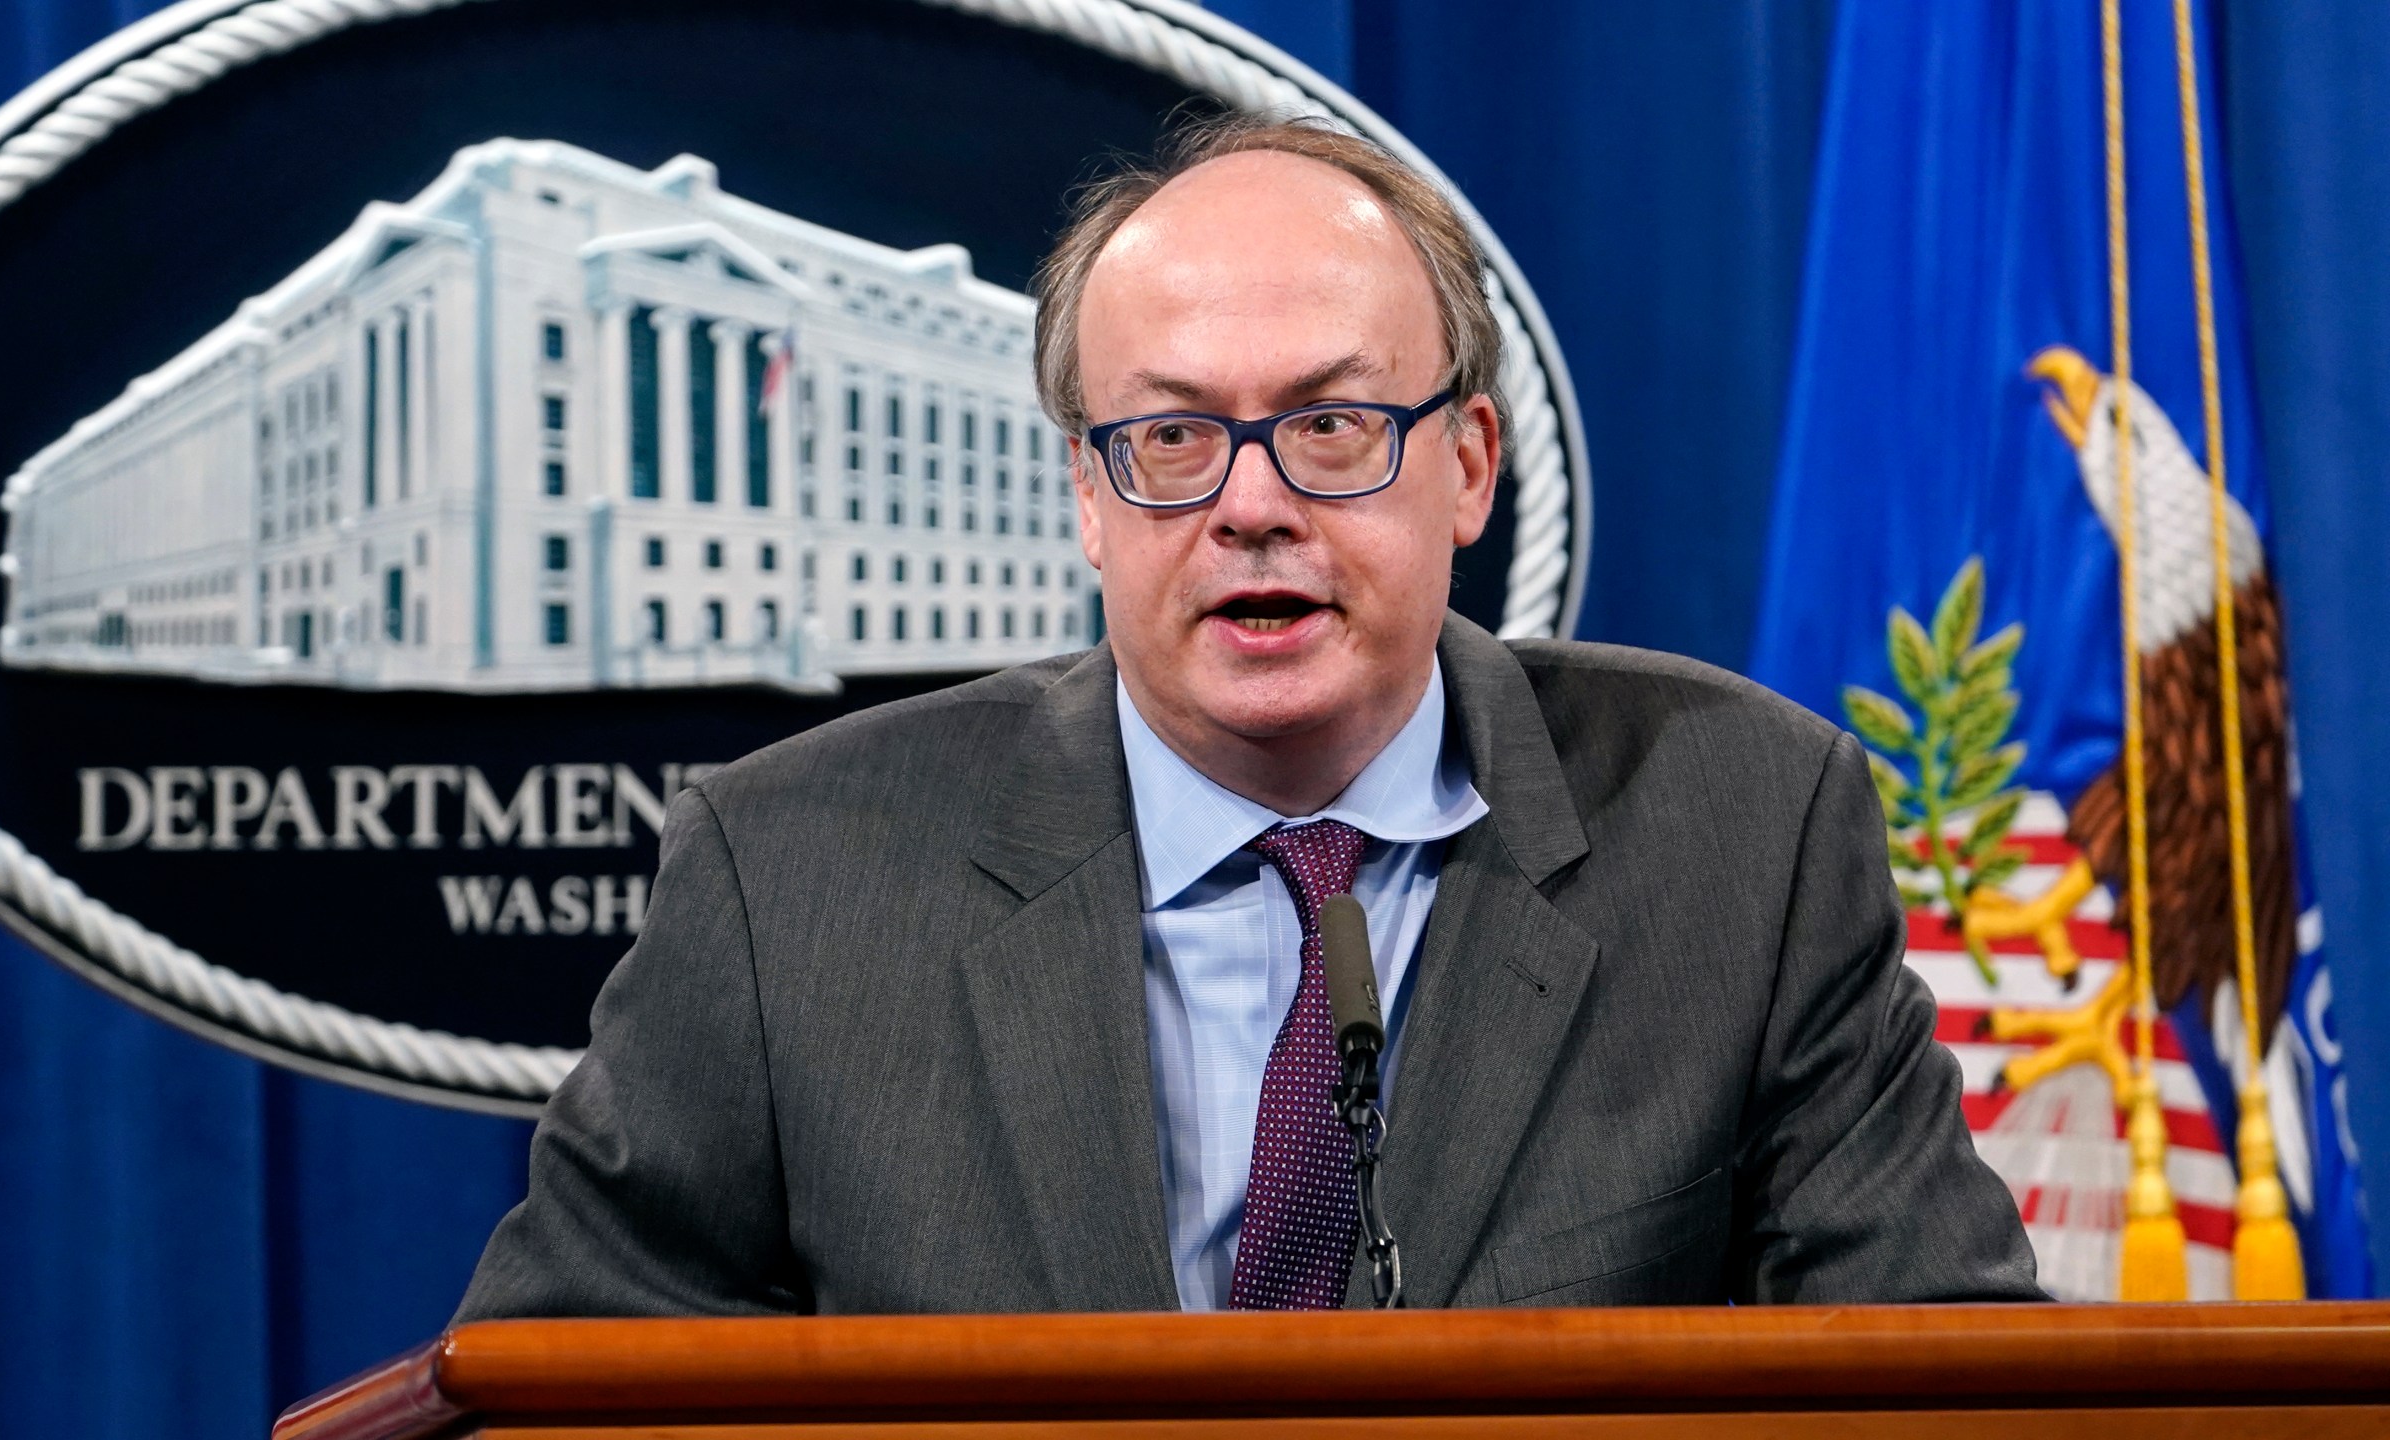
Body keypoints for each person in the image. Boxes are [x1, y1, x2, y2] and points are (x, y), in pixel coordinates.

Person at [456, 116, 2041, 1316]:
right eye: (1168, 438)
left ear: (1471, 463)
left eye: (1334, 425)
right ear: (1088, 495)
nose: (1252, 507)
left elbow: (1939, 1371)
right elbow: (561, 1393)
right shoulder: (789, 878)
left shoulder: (1741, 831)